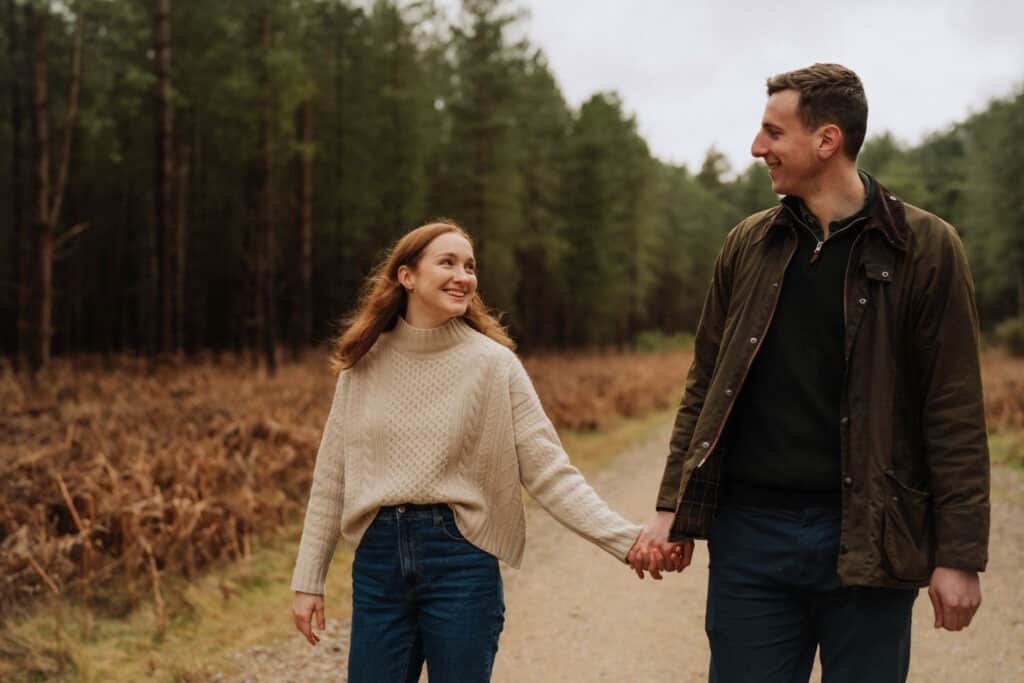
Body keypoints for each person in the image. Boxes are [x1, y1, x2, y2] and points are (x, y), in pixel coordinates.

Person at [629, 63, 990, 682]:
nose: (756, 147)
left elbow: (953, 410)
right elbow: (706, 384)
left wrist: (959, 555)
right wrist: (673, 506)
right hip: (752, 540)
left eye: (773, 132)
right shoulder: (748, 244)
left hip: (870, 538)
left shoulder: (926, 248)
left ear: (827, 141)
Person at [290, 220, 644, 682]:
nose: (464, 276)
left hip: (460, 558)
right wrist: (308, 579)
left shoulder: (494, 365)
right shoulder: (363, 365)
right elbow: (332, 478)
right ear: (407, 276)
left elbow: (550, 473)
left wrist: (625, 539)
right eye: (448, 262)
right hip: (378, 561)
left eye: (470, 266)